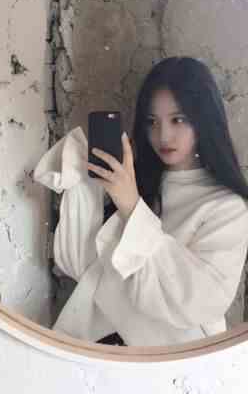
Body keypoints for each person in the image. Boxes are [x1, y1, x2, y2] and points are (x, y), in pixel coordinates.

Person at [33, 56, 248, 347]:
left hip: (186, 361)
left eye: (178, 119)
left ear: (203, 120)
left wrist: (132, 207)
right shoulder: (137, 184)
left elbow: (199, 301)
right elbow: (86, 268)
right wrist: (86, 187)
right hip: (114, 353)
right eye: (152, 121)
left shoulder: (227, 207)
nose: (163, 135)